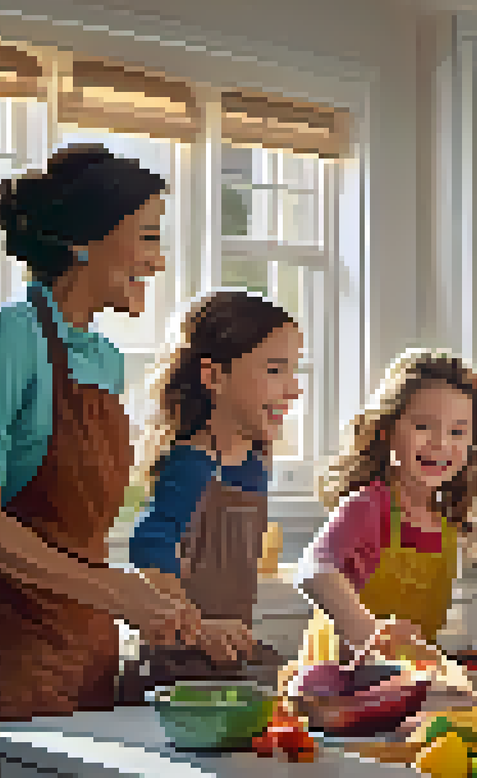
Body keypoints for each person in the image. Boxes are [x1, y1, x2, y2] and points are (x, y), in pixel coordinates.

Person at [0, 144, 235, 778]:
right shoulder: (0, 340)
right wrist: (113, 590)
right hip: (2, 661)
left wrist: (173, 609)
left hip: (84, 658)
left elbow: (80, 536)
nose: (158, 261)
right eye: (147, 239)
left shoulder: (105, 360)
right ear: (85, 242)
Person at [125, 289, 305, 690]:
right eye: (275, 371)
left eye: (295, 371)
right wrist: (199, 625)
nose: (294, 389)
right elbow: (148, 551)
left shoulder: (255, 461)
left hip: (225, 658)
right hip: (178, 666)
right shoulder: (192, 464)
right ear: (213, 377)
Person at [293, 349, 477, 670]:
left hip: (403, 684)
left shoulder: (445, 522)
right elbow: (313, 570)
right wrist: (369, 633)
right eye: (423, 426)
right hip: (339, 688)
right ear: (387, 430)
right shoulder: (369, 506)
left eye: (457, 431)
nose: (441, 443)